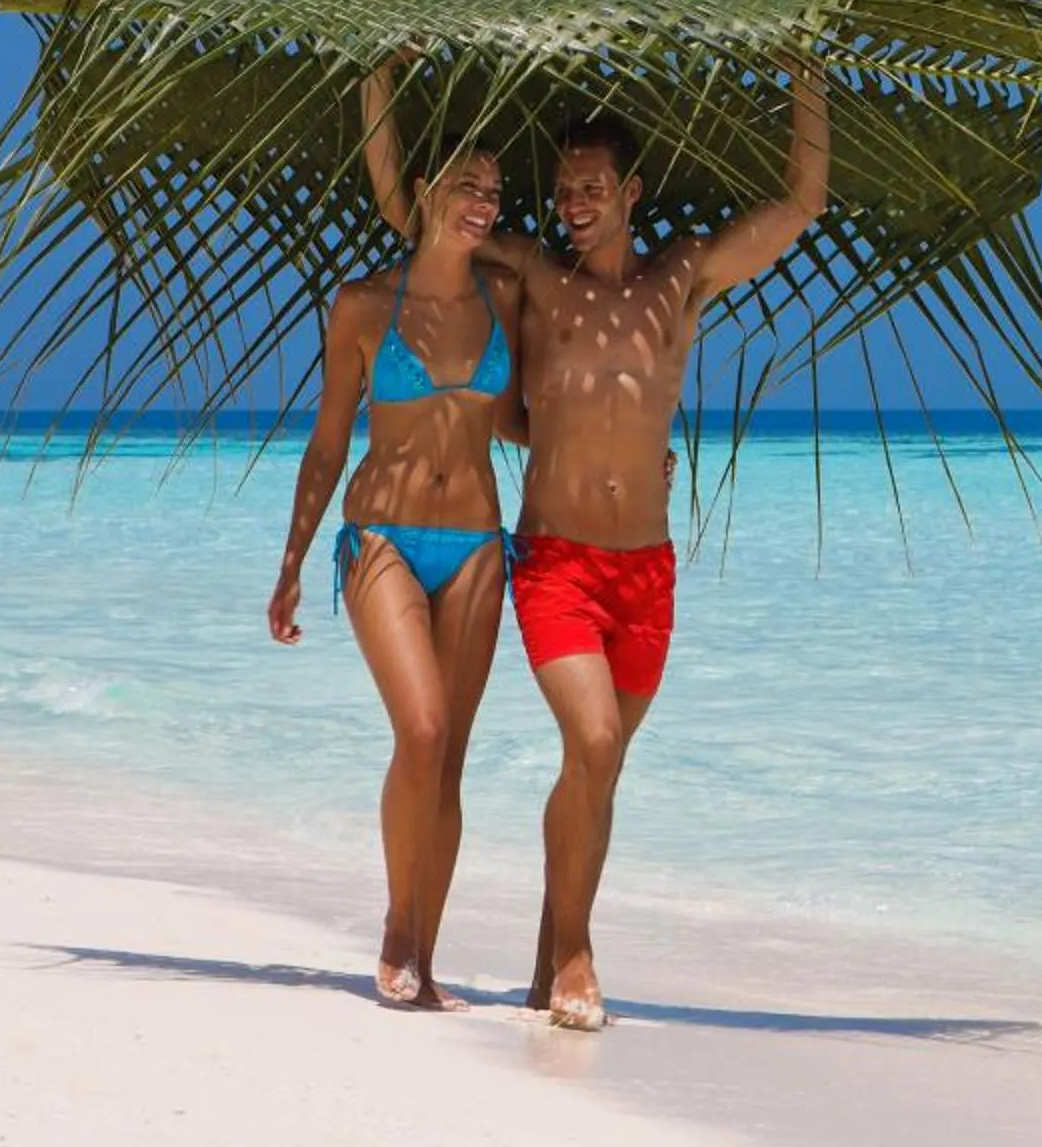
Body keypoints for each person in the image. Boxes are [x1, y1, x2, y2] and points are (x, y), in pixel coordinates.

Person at [364, 54, 829, 1028]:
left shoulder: (683, 273)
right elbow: (413, 215)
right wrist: (382, 89)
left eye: (589, 185)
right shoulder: (533, 273)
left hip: (648, 572)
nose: (571, 201)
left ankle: (545, 962)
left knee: (597, 769)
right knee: (595, 737)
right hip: (556, 561)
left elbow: (798, 205)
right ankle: (576, 953)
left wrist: (804, 80)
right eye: (563, 186)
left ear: (631, 190)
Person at [265, 141, 524, 1012]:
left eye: (494, 190)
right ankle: (395, 926)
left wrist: (630, 449)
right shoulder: (365, 306)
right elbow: (331, 440)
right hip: (382, 537)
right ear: (423, 192)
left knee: (449, 759)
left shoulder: (508, 298)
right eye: (464, 187)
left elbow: (521, 422)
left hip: (480, 544)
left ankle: (426, 955)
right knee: (420, 730)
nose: (482, 202)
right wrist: (293, 560)